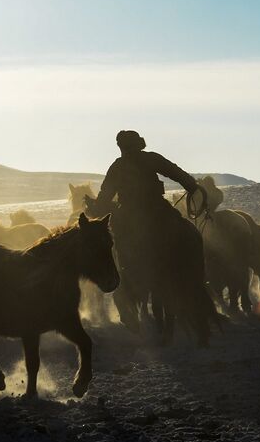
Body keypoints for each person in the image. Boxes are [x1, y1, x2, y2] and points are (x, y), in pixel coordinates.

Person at [88, 130, 214, 346]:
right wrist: (192, 186)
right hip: (160, 210)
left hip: (131, 217)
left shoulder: (117, 167)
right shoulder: (151, 158)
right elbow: (177, 173)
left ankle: (129, 278)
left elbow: (104, 198)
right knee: (187, 232)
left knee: (120, 250)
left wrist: (95, 207)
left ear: (122, 147)